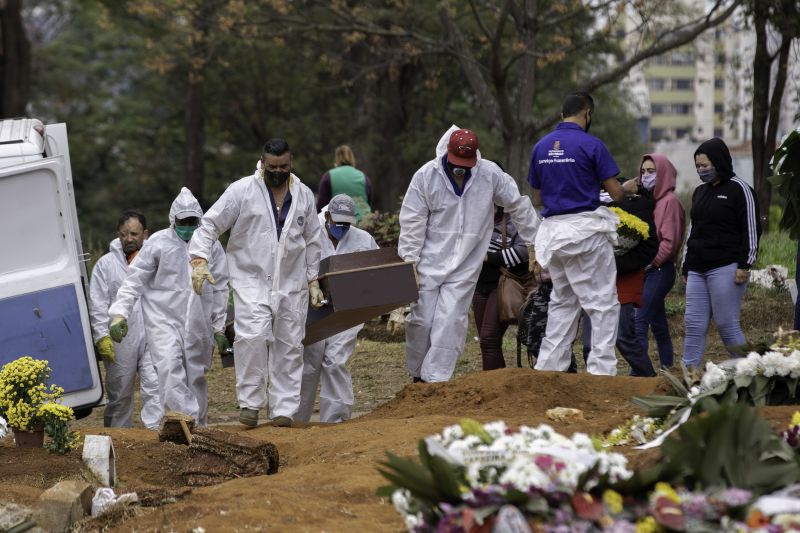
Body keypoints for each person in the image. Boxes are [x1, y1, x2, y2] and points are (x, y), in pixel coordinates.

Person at [189, 138, 324, 428]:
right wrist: (199, 259)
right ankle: (250, 403)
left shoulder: (303, 195)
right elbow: (210, 224)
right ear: (262, 163)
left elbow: (313, 239)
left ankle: (283, 409)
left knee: (290, 344)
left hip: (292, 282)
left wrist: (313, 279)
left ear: (291, 163)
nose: (278, 171)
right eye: (272, 166)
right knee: (252, 338)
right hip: (250, 279)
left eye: (283, 166)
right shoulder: (241, 191)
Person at [399, 126, 539, 383]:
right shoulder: (426, 177)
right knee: (421, 321)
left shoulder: (490, 175)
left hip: (466, 263)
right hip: (429, 261)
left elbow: (518, 204)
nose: (460, 169)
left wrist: (534, 243)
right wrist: (409, 261)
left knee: (450, 321)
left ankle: (435, 380)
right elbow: (412, 222)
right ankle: (417, 375)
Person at [108, 188, 229, 425]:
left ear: (200, 220)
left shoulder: (210, 245)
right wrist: (120, 314)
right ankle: (183, 423)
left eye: (192, 221)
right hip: (163, 320)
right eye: (183, 222)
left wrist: (219, 327)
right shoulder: (158, 243)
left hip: (198, 321)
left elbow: (221, 287)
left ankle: (199, 425)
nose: (187, 227)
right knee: (169, 368)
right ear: (173, 220)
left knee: (196, 377)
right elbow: (134, 280)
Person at [526, 91, 625, 375]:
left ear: (562, 115)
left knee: (563, 301)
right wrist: (626, 189)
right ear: (588, 113)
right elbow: (616, 194)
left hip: (554, 236)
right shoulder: (592, 145)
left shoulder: (540, 147)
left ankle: (549, 368)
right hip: (586, 233)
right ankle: (601, 370)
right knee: (602, 303)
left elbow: (538, 197)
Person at [295, 194, 379, 423]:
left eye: (346, 224)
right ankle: (295, 419)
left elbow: (378, 270)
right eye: (337, 222)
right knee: (308, 364)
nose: (341, 228)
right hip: (313, 309)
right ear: (328, 216)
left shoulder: (363, 240)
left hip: (347, 311)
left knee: (335, 361)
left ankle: (336, 420)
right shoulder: (310, 235)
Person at [681, 137, 761, 370]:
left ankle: (751, 372)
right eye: (698, 166)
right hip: (697, 269)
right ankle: (689, 375)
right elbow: (693, 230)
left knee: (726, 324)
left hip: (726, 267)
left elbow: (752, 228)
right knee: (694, 325)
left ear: (718, 161)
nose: (701, 170)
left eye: (705, 165)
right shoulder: (700, 192)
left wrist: (745, 264)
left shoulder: (740, 189)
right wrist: (686, 265)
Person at [88, 210, 162, 429]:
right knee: (119, 393)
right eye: (123, 234)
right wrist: (101, 336)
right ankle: (118, 437)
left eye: (134, 234)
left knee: (155, 387)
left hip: (153, 333)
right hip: (119, 339)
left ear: (145, 234)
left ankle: (155, 435)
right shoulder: (106, 265)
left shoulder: (156, 260)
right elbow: (98, 304)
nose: (128, 239)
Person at [578, 179, 659, 376]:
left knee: (623, 337)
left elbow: (649, 246)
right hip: (594, 281)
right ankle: (598, 386)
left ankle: (649, 378)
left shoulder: (636, 202)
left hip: (623, 279)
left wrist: (614, 265)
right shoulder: (586, 200)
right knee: (589, 344)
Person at [634, 154, 686, 370]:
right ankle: (667, 369)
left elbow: (670, 242)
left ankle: (640, 372)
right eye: (643, 172)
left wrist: (650, 262)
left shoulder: (670, 202)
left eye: (651, 171)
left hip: (659, 270)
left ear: (663, 173)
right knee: (658, 325)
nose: (646, 176)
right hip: (648, 270)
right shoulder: (649, 202)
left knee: (639, 321)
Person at [472, 206, 530, 370]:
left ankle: (495, 382)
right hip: (479, 285)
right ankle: (493, 381)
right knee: (486, 342)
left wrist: (487, 257)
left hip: (502, 285)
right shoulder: (473, 220)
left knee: (489, 338)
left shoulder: (514, 221)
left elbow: (523, 252)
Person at [316, 145, 373, 225]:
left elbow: (321, 205)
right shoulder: (363, 177)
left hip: (340, 225)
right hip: (365, 223)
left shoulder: (328, 176)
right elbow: (369, 203)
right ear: (352, 158)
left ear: (336, 159)